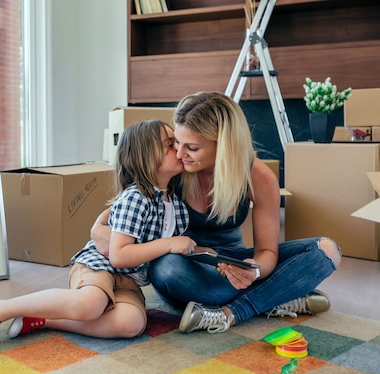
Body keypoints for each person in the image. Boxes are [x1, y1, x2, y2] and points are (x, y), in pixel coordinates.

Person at [91, 91, 341, 334]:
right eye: (176, 142)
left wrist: (253, 270)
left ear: (224, 146)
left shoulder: (259, 178)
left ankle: (230, 313)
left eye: (192, 147)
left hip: (232, 262)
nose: (179, 154)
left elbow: (266, 252)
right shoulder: (174, 168)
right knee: (166, 268)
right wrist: (98, 232)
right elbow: (112, 221)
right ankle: (275, 296)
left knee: (326, 251)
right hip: (187, 265)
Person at [0, 119, 197, 356]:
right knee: (89, 305)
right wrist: (169, 243)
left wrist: (206, 254)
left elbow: (174, 247)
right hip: (100, 265)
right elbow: (118, 255)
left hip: (130, 279)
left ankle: (44, 320)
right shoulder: (136, 198)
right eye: (170, 144)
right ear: (145, 156)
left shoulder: (176, 205)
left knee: (132, 324)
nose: (178, 150)